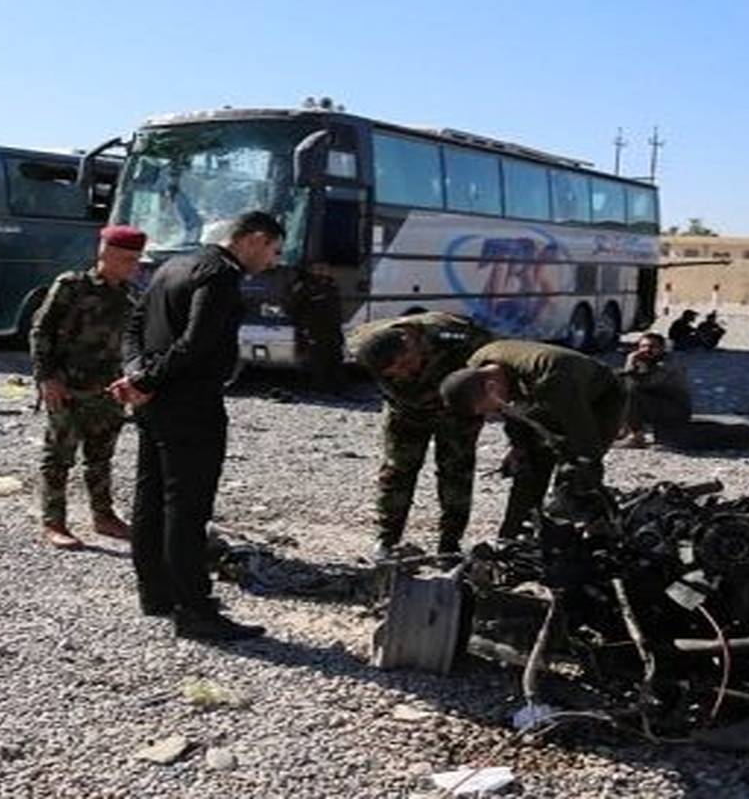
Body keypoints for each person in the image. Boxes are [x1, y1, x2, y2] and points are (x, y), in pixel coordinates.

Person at [109, 211, 284, 641]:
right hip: (190, 405)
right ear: (254, 239)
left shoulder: (175, 264)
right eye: (274, 250)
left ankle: (156, 593)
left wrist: (137, 375)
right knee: (187, 508)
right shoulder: (220, 274)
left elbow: (134, 327)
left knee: (151, 498)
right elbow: (196, 342)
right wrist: (144, 381)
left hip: (156, 403)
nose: (273, 262)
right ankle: (194, 609)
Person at [29, 225, 146, 550]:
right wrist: (46, 377)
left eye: (137, 260)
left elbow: (134, 343)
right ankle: (54, 521)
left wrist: (134, 380)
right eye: (128, 259)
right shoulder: (72, 286)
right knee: (58, 457)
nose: (134, 266)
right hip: (67, 386)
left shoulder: (131, 295)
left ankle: (103, 516)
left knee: (101, 456)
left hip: (108, 389)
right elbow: (41, 331)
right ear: (106, 254)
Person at [439, 341, 625, 539]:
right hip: (544, 396)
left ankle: (586, 534)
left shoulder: (552, 380)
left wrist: (586, 464)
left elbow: (582, 436)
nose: (490, 414)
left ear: (491, 387)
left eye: (486, 409)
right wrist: (518, 446)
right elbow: (512, 409)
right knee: (528, 467)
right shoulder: (478, 366)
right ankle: (513, 537)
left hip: (600, 397)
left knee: (576, 471)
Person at [347, 311, 494, 560]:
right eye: (394, 373)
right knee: (397, 470)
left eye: (406, 364)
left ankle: (450, 544)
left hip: (456, 409)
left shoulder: (454, 335)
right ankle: (387, 538)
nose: (406, 373)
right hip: (406, 409)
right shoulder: (363, 346)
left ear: (411, 343)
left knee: (456, 472)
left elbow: (494, 360)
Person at [617, 332, 691, 447]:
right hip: (657, 403)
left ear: (662, 348)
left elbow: (648, 383)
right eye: (643, 346)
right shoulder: (647, 361)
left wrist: (630, 362)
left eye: (652, 346)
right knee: (620, 386)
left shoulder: (669, 363)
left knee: (633, 391)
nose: (647, 350)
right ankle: (623, 428)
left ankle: (637, 436)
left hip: (675, 408)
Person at [286, 263, 346, 394]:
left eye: (324, 269)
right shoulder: (305, 286)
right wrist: (303, 326)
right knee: (317, 358)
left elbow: (336, 307)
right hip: (314, 328)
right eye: (319, 269)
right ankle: (318, 387)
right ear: (311, 270)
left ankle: (336, 385)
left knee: (335, 355)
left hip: (332, 327)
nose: (323, 271)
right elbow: (292, 307)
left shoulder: (331, 284)